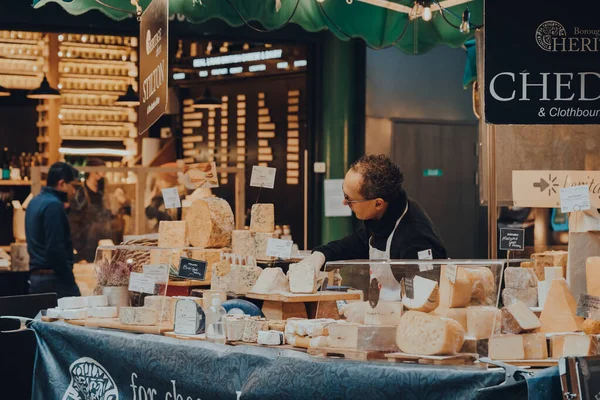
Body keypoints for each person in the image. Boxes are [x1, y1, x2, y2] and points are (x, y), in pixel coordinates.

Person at [302, 154, 447, 300]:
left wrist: (378, 311)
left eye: (349, 199)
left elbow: (425, 301)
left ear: (378, 203)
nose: (344, 203)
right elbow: (353, 244)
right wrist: (320, 255)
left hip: (408, 319)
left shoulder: (415, 237)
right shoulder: (383, 216)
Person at [26, 162, 81, 298]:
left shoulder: (35, 202)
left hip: (37, 279)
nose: (73, 191)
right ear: (62, 183)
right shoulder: (53, 205)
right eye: (72, 186)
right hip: (54, 280)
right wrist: (68, 277)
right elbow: (55, 248)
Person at [69, 158, 113, 262]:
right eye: (102, 171)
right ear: (93, 172)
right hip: (86, 251)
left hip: (104, 249)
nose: (104, 175)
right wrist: (81, 255)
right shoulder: (81, 195)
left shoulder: (103, 195)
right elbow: (74, 226)